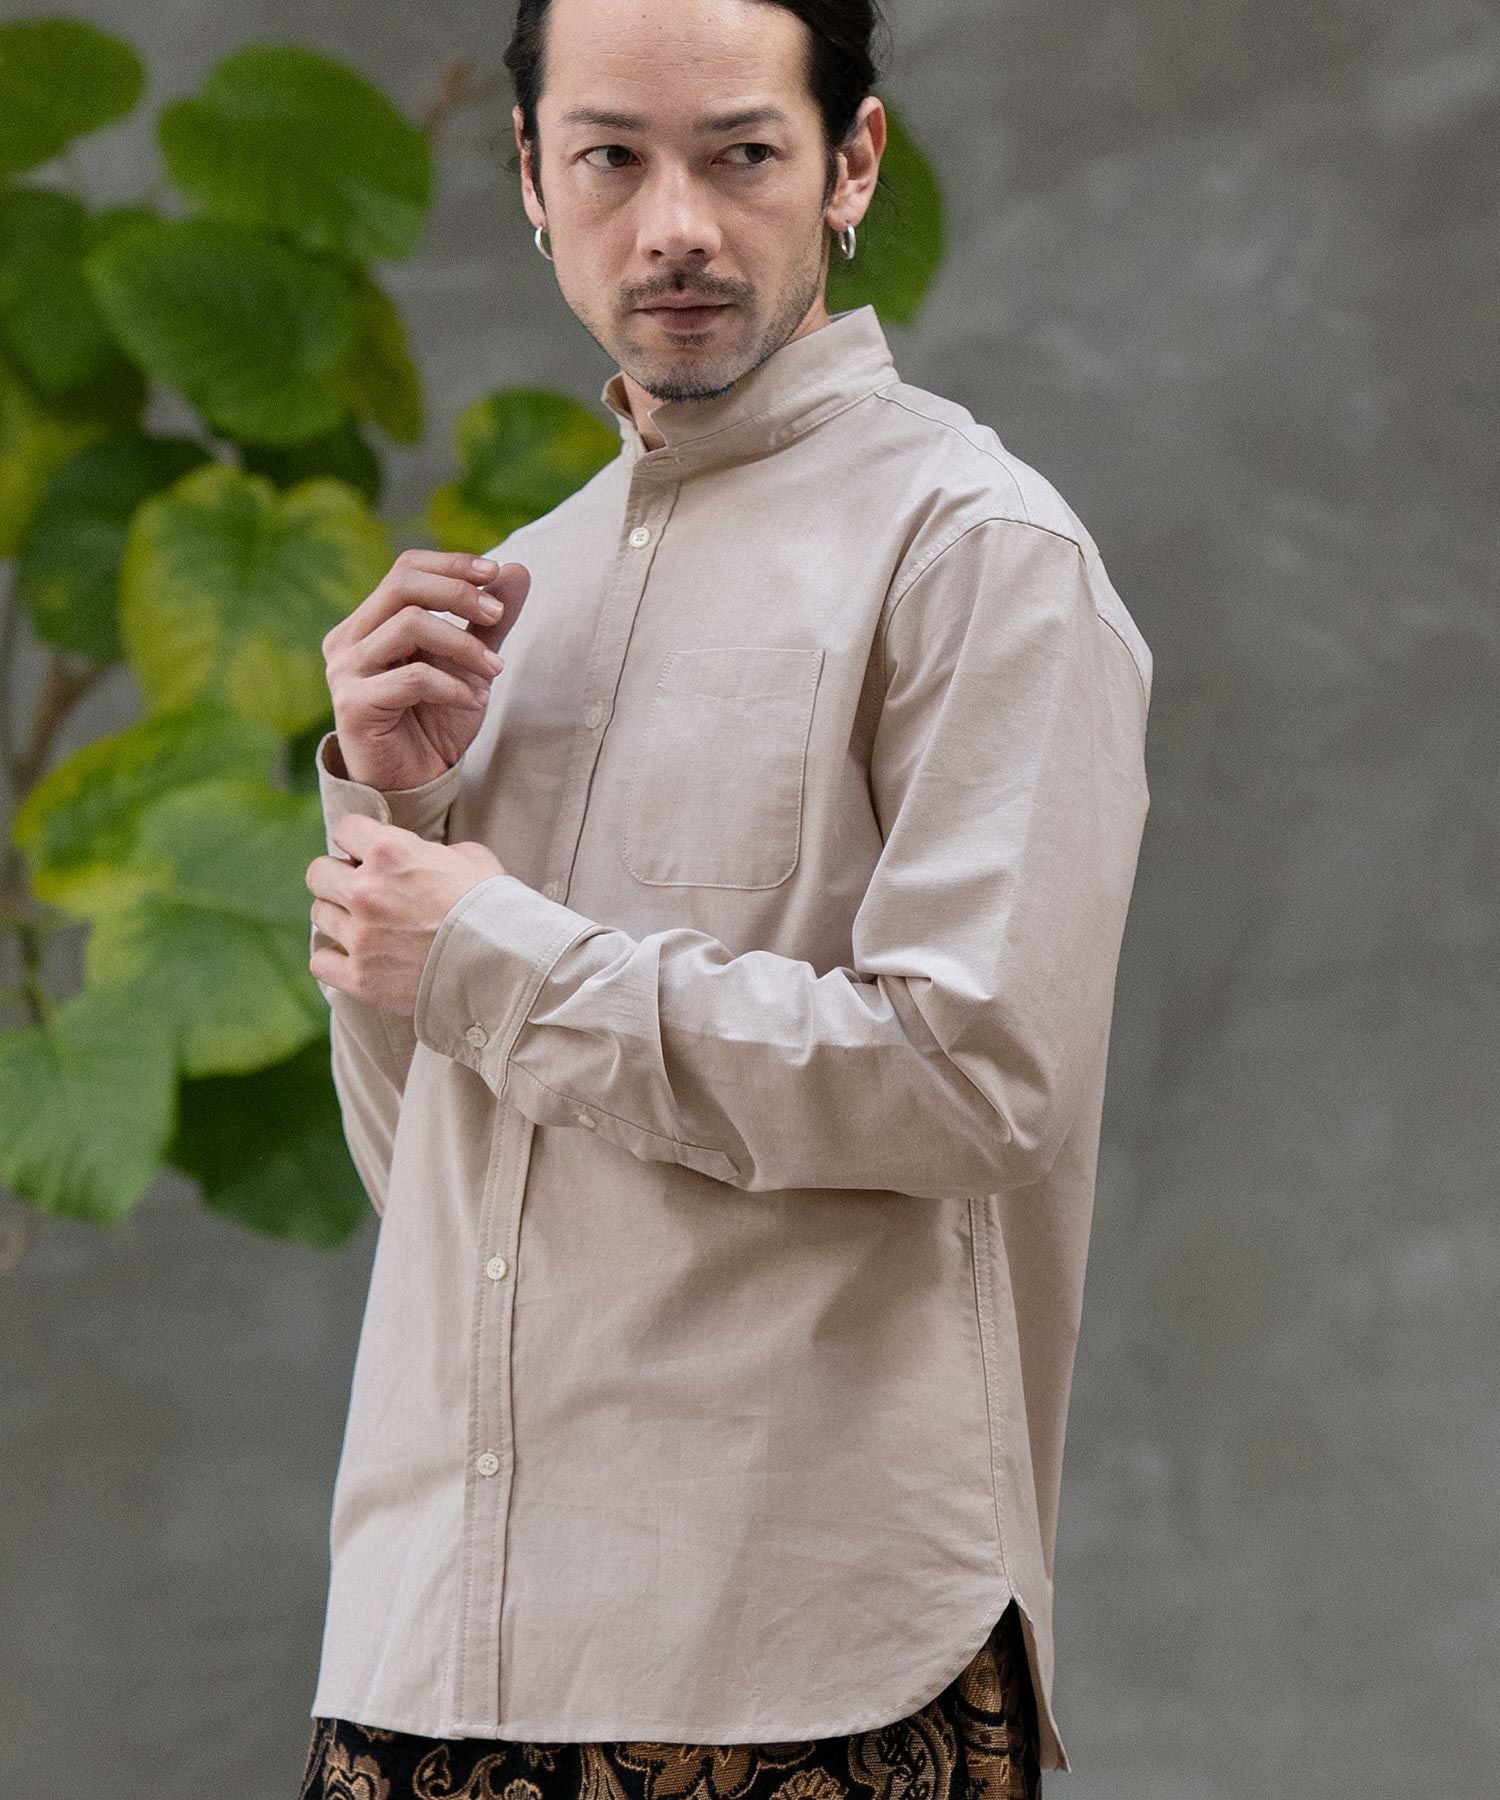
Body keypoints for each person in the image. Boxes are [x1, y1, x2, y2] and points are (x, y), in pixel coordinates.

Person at [299, 0, 1153, 1794]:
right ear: (531, 179)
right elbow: (428, 1180)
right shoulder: (509, 601)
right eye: (610, 157)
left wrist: (491, 953)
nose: (673, 224)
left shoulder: (978, 553)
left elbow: (977, 1076)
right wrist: (401, 805)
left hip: (799, 1664)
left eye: (741, 154)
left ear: (852, 163)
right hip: (429, 1651)